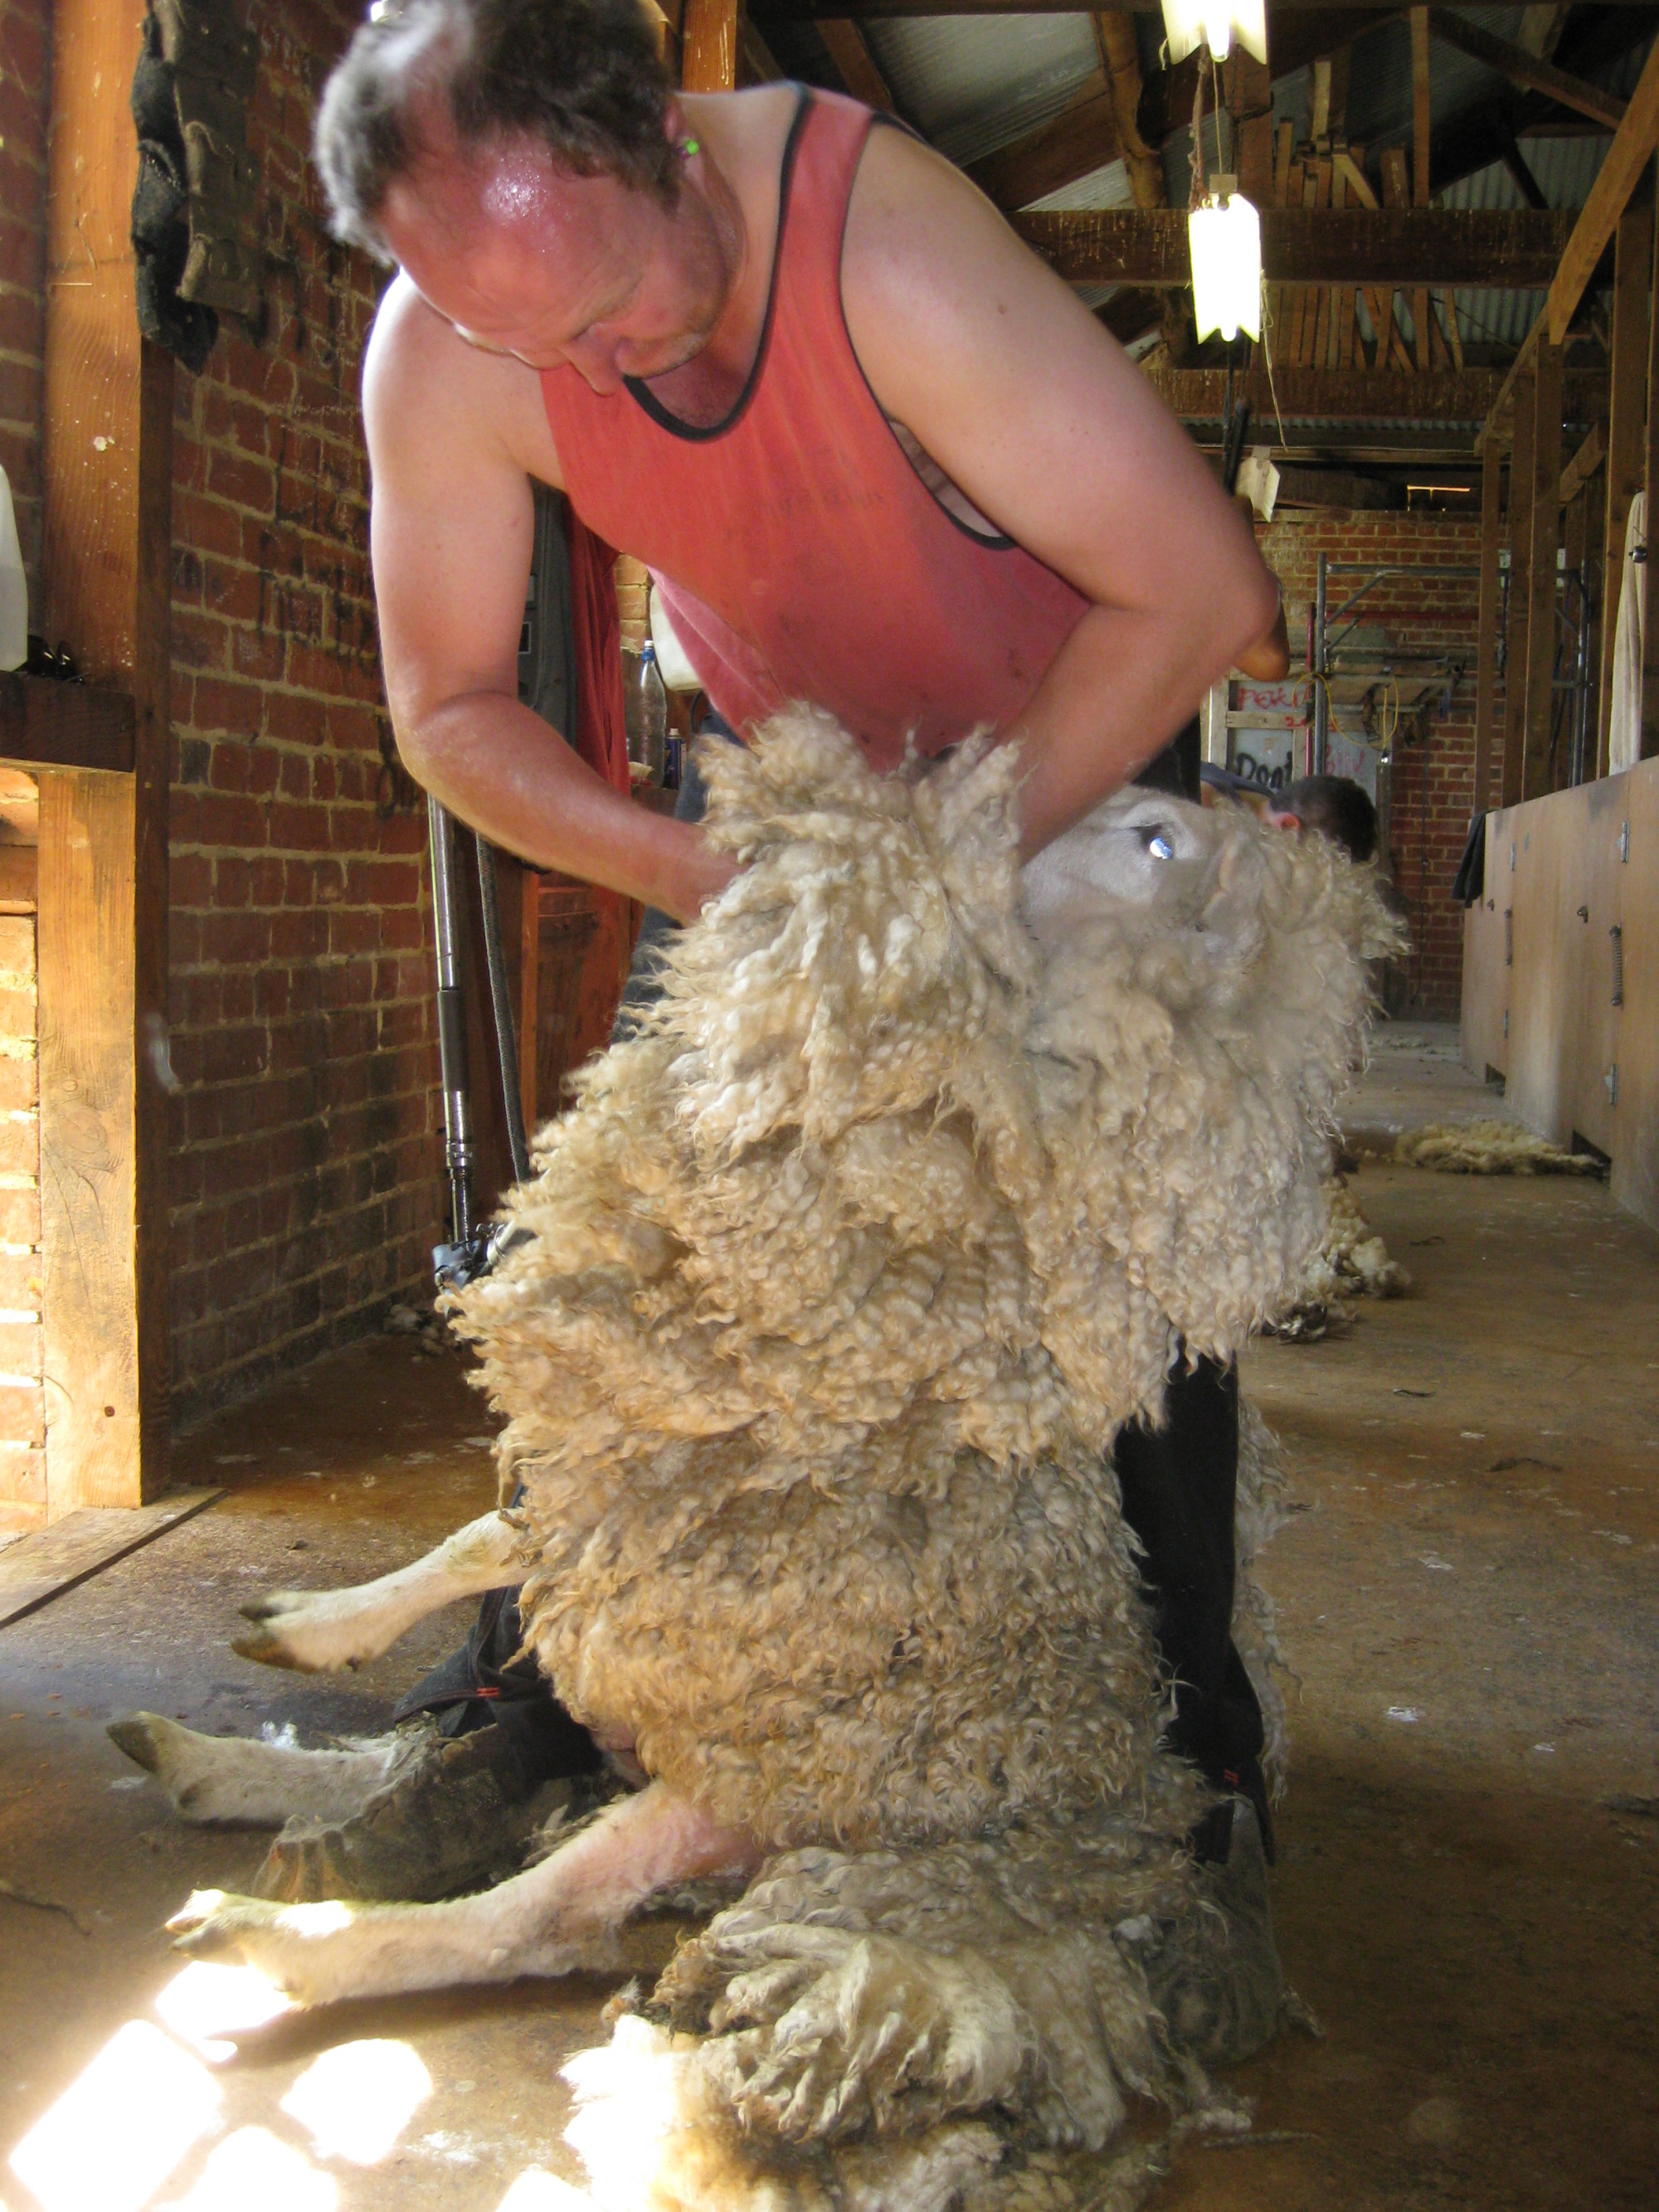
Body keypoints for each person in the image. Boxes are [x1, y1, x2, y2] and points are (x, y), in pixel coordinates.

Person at [279, 0, 1292, 1929]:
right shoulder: (454, 347)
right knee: (642, 1249)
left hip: (1070, 744)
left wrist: (937, 886)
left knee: (1122, 1244)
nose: (586, 367)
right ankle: (542, 1680)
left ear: (655, 134)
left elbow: (1202, 593)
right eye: (530, 343)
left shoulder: (879, 243)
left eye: (611, 303)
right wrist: (696, 872)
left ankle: (1196, 1734)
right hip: (803, 806)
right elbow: (449, 706)